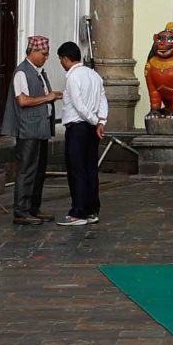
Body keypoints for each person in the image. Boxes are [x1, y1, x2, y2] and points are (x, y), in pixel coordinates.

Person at [9, 35, 62, 225]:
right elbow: (22, 100)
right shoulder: (22, 72)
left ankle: (33, 207)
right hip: (28, 129)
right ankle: (21, 211)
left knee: (39, 170)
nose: (46, 57)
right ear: (33, 52)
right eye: (44, 54)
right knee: (26, 170)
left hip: (41, 128)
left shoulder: (39, 72)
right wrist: (47, 98)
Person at [57, 40, 108, 224]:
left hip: (78, 126)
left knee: (77, 169)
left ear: (65, 59)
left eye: (61, 60)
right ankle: (92, 209)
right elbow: (103, 99)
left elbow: (79, 105)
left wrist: (96, 121)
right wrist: (101, 121)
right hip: (92, 127)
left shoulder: (73, 77)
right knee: (90, 169)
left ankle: (78, 211)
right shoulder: (94, 74)